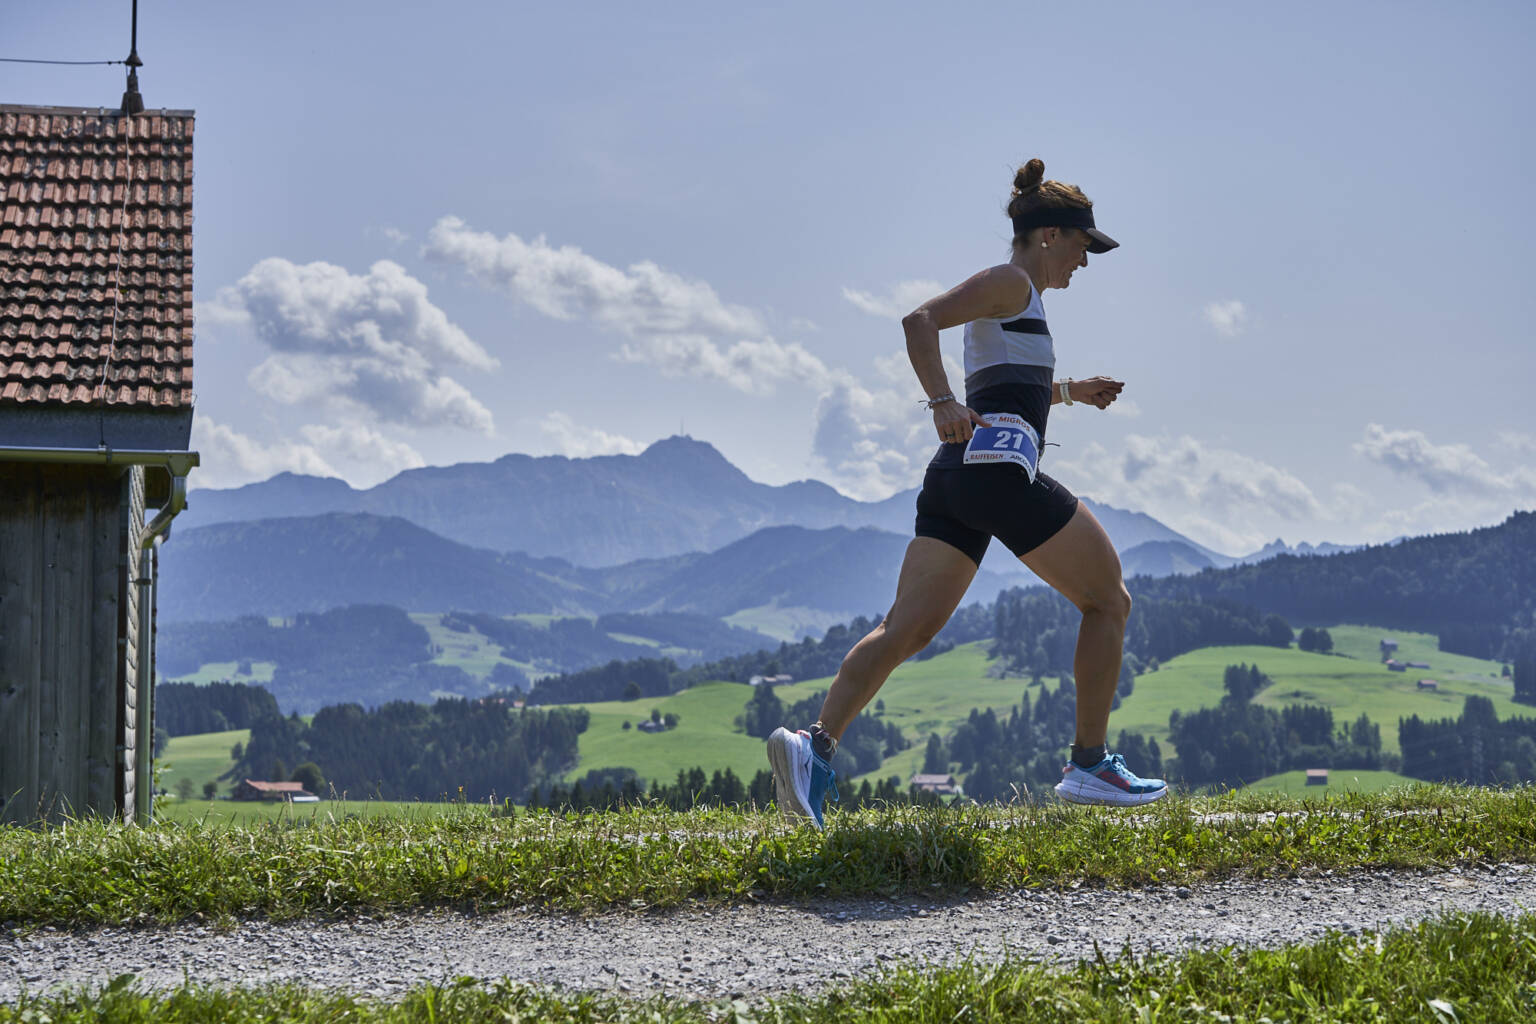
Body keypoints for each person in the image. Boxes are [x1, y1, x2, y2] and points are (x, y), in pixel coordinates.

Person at [766, 158, 1166, 827]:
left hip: (955, 479)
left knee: (905, 630)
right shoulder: (1010, 280)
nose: (1086, 262)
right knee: (1109, 599)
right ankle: (1090, 764)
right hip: (997, 475)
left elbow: (1003, 385)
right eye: (1082, 244)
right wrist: (940, 399)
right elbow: (919, 321)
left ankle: (814, 747)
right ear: (1048, 235)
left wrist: (1069, 392)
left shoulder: (1019, 299)